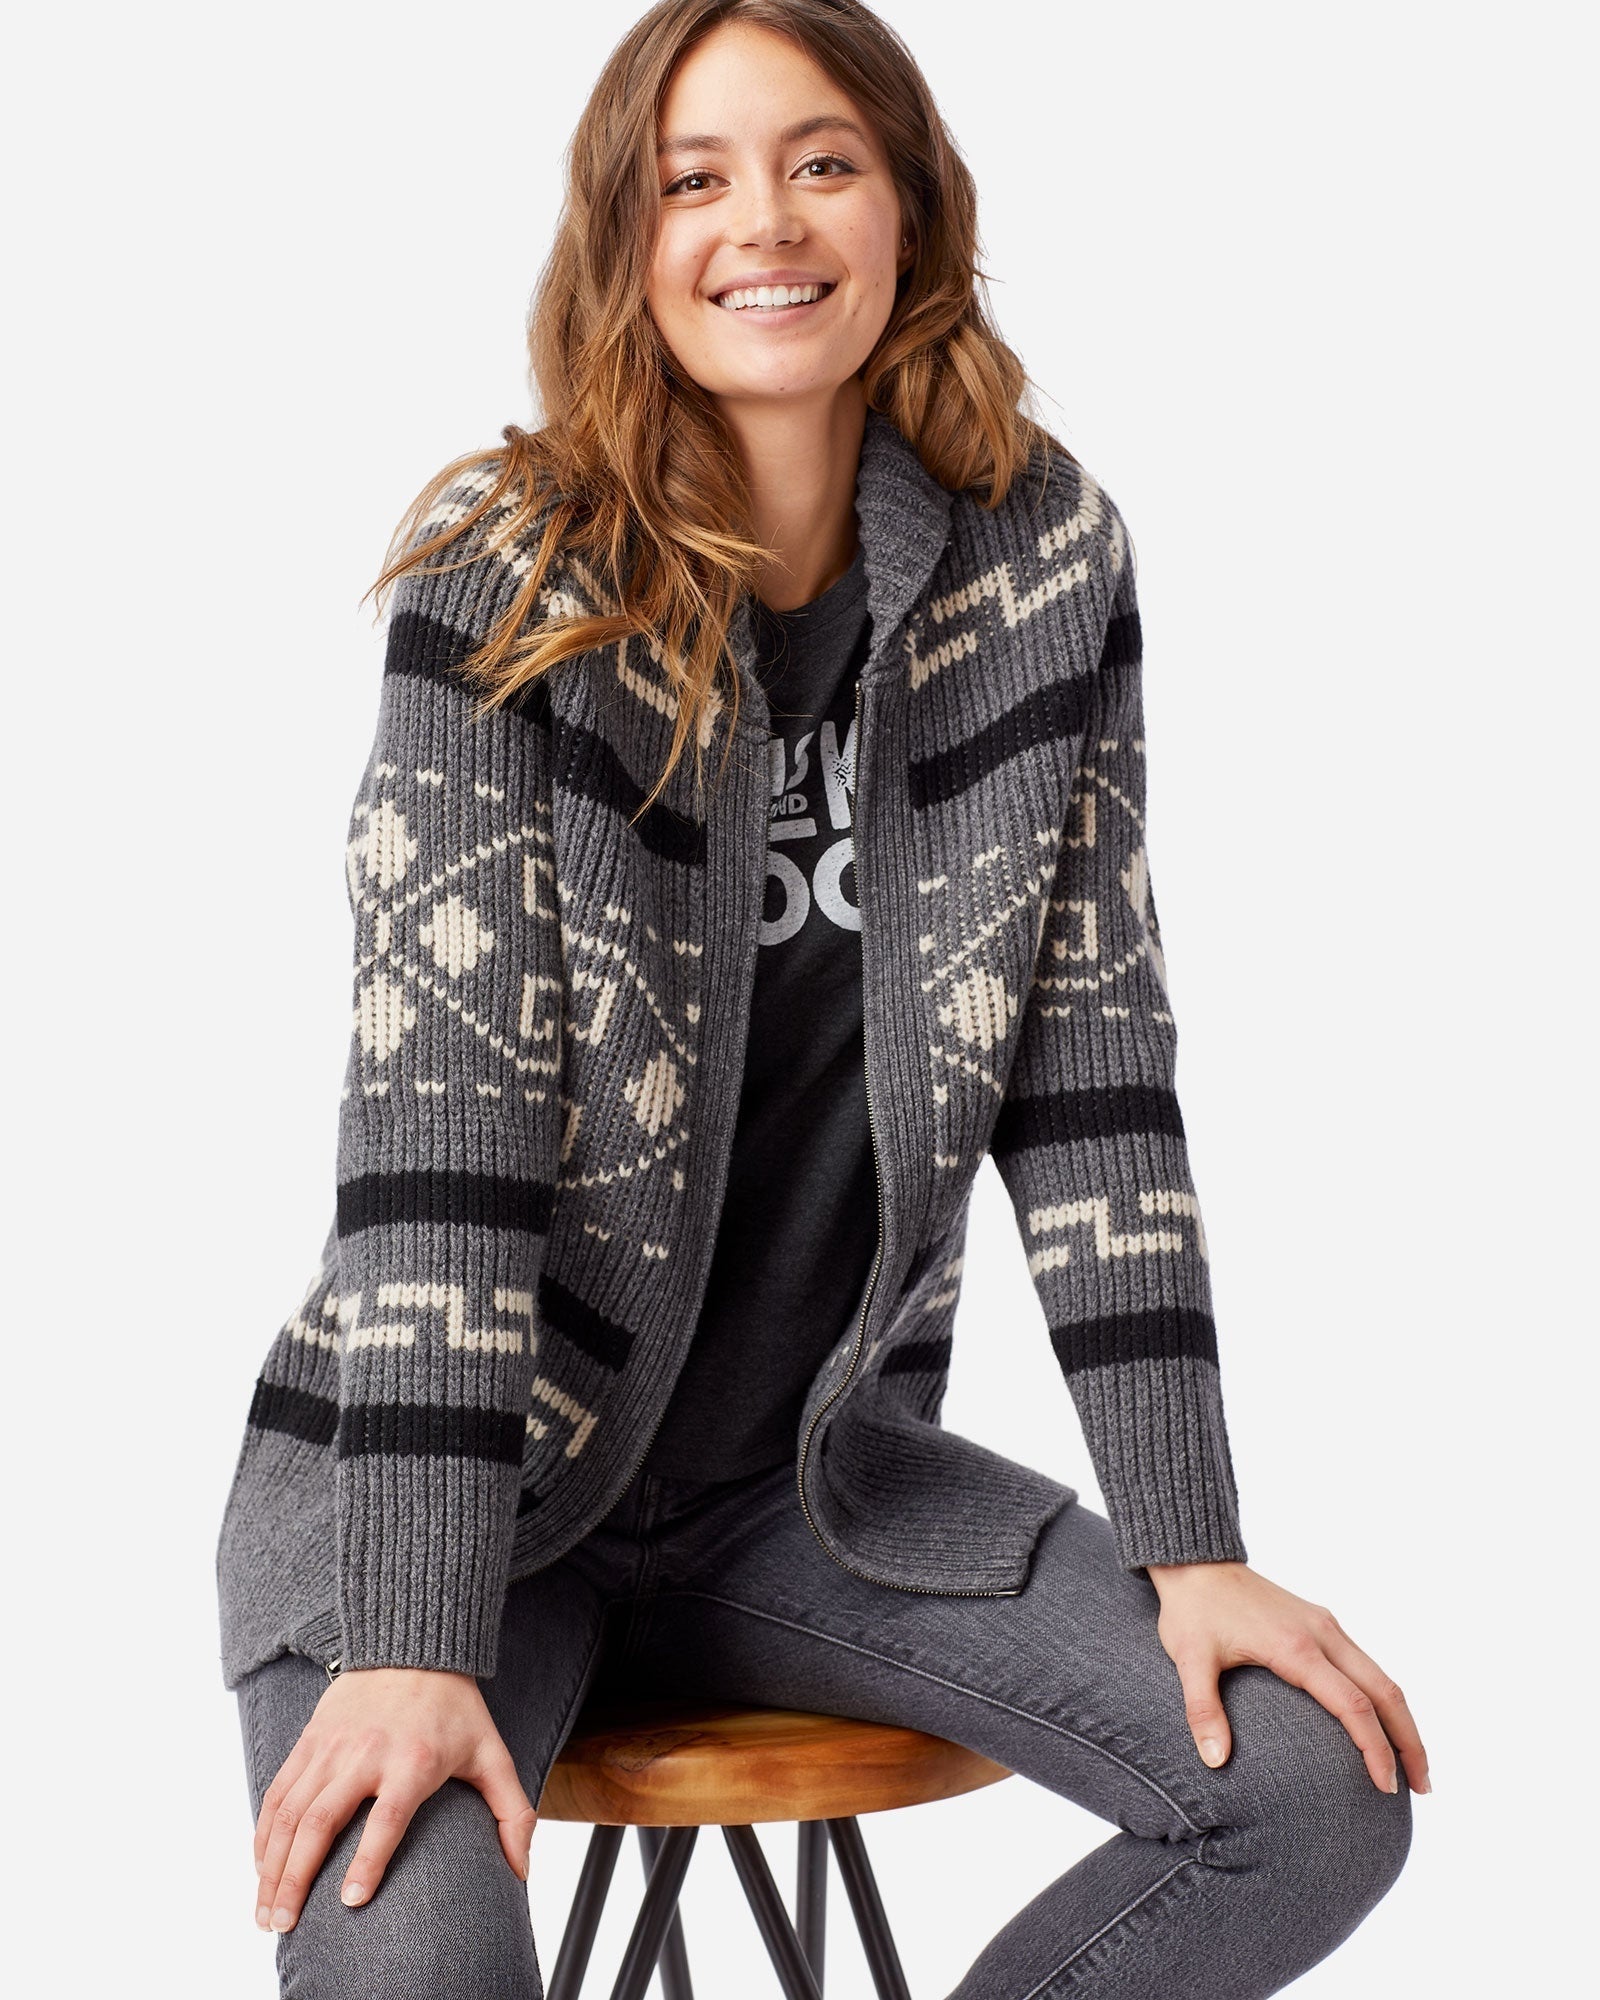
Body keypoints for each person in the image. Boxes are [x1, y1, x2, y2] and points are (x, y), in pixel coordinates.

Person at [217, 4, 1428, 1994]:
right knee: (410, 1967)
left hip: (811, 1497)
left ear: (907, 207)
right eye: (692, 178)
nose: (762, 221)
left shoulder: (1040, 560)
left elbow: (1093, 1076)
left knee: (1306, 1786)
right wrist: (415, 1635)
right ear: (624, 240)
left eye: (820, 162)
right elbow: (442, 1137)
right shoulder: (504, 582)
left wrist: (1188, 1534)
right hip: (456, 1495)